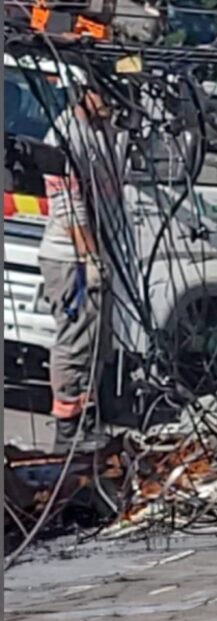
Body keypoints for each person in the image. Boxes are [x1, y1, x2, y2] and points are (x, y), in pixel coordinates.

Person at [38, 88, 124, 451]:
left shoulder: (103, 133)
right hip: (71, 258)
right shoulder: (64, 137)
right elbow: (68, 207)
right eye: (106, 93)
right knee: (75, 342)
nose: (114, 101)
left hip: (96, 253)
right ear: (83, 92)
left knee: (95, 343)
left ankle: (87, 420)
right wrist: (91, 257)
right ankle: (68, 428)